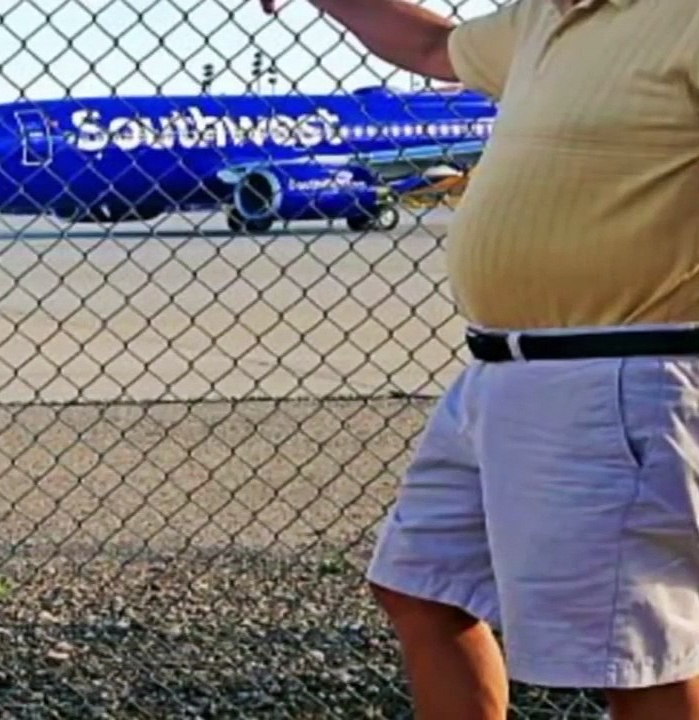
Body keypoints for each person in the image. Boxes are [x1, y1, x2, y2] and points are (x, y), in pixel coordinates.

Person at [254, 0, 699, 718]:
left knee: (636, 652)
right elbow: (435, 47)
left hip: (623, 368)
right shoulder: (541, 19)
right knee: (421, 585)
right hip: (498, 371)